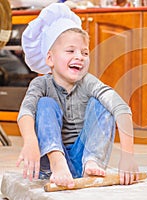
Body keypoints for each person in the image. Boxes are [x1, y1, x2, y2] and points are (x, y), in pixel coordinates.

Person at [16, 3, 139, 188]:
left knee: (103, 103)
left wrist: (128, 156)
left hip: (84, 159)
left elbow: (121, 108)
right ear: (50, 58)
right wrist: (30, 142)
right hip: (50, 163)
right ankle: (58, 162)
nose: (80, 56)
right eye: (70, 51)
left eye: (84, 52)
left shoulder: (89, 83)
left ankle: (92, 162)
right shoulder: (40, 84)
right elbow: (25, 112)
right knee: (45, 104)